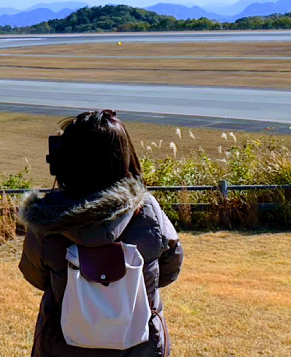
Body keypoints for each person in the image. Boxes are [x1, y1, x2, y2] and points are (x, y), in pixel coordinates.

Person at [18, 110, 184, 356]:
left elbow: (35, 276)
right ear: (125, 157)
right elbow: (170, 267)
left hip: (64, 344)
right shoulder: (147, 210)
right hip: (141, 346)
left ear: (66, 160)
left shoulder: (47, 217)